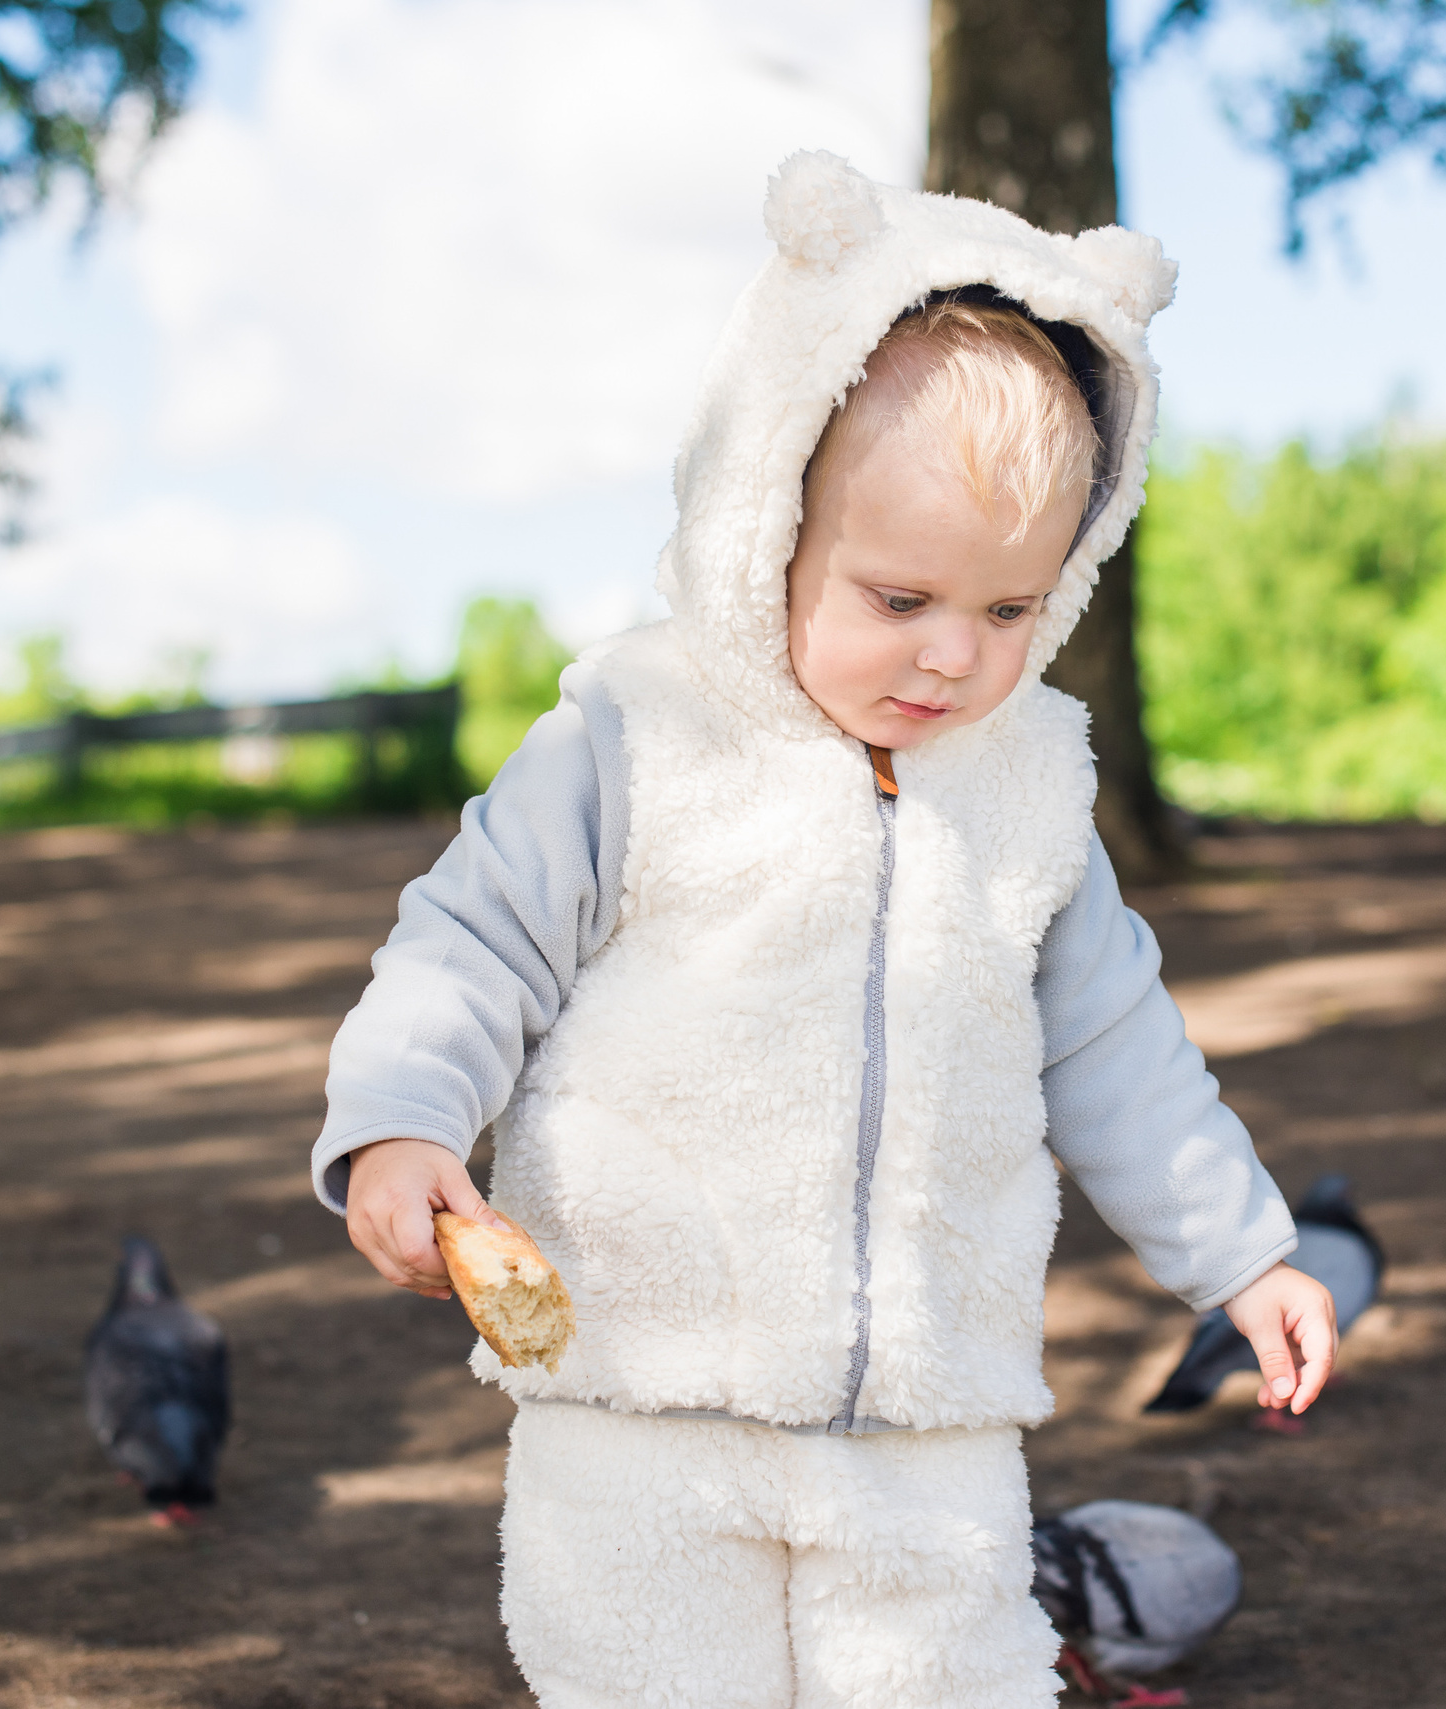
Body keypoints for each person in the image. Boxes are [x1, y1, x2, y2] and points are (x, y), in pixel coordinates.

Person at [309, 151, 1336, 1708]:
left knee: (959, 1681)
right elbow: (471, 942)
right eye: (900, 595)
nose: (951, 659)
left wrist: (1244, 1248)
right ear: (766, 516)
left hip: (927, 1415)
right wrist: (400, 1126)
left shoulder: (1028, 793)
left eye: (1008, 614)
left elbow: (1121, 1045)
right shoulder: (639, 738)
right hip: (644, 1384)